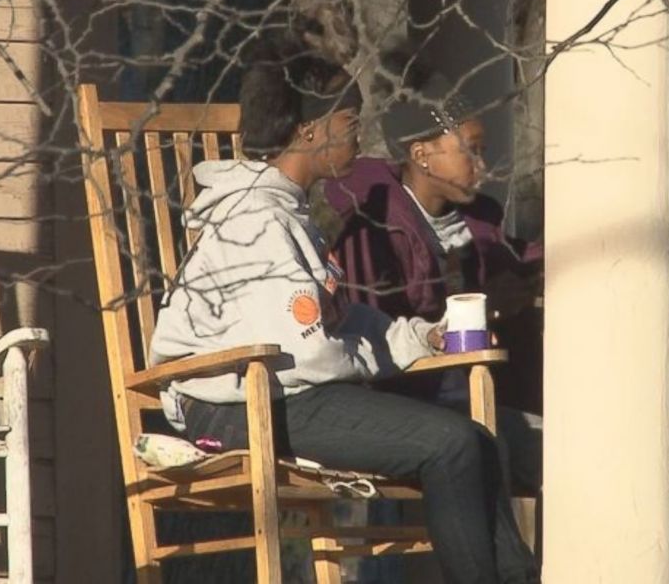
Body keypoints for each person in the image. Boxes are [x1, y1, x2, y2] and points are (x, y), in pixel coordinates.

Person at [149, 31, 539, 584]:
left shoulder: (289, 214)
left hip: (284, 391)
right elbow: (312, 354)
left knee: (474, 435)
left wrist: (418, 338)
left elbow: (331, 321)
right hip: (237, 406)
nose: (358, 135)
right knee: (449, 444)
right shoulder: (259, 221)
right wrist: (372, 356)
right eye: (349, 122)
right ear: (309, 130)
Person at [325, 47, 544, 419]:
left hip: (483, 392)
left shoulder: (479, 220)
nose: (482, 167)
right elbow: (383, 328)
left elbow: (520, 258)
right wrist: (485, 308)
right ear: (422, 154)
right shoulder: (379, 230)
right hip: (414, 402)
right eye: (470, 152)